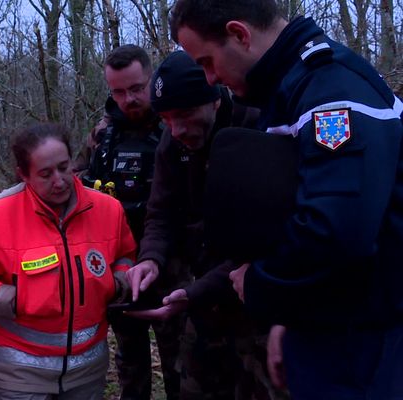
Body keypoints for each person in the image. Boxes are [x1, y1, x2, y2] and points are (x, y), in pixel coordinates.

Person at [169, 0, 403, 398]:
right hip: (326, 329)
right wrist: (286, 318)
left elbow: (337, 230)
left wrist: (263, 284)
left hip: (363, 342)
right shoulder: (290, 89)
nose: (209, 79)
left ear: (239, 34)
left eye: (207, 62)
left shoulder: (329, 91)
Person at [126, 50, 286, 400]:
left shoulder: (259, 128)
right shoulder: (172, 141)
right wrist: (150, 258)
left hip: (259, 301)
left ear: (214, 100)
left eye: (184, 115)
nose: (177, 129)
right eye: (166, 119)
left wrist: (196, 292)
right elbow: (161, 211)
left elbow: (269, 241)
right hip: (204, 303)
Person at [0, 122, 138, 399]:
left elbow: (125, 255)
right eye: (45, 174)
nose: (59, 181)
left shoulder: (107, 209)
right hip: (19, 371)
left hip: (88, 370)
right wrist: (6, 298)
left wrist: (118, 281)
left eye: (63, 167)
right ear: (23, 174)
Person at [75, 44, 183, 400]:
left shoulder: (177, 124)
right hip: (119, 261)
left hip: (172, 260)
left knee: (179, 359)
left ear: (152, 79)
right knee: (130, 362)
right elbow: (76, 180)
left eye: (137, 88)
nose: (129, 99)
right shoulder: (103, 134)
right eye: (118, 91)